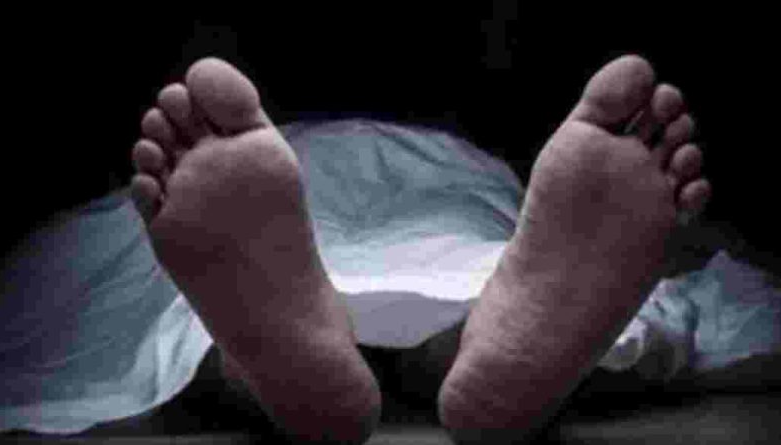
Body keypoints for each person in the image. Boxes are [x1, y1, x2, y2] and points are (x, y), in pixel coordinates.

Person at [129, 54, 710, 444]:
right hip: (460, 197)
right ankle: (461, 348)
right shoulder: (471, 160)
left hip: (287, 218)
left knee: (181, 320)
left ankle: (252, 371)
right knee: (471, 257)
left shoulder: (203, 156)